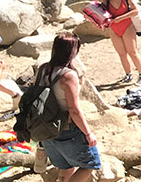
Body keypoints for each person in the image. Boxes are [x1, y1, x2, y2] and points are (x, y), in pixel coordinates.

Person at [36, 34, 102, 182]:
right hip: (67, 128)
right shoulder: (68, 75)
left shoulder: (43, 69)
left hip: (45, 129)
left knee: (65, 165)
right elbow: (74, 109)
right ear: (72, 51)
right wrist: (88, 133)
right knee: (90, 165)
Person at [104, 0, 141, 84]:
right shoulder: (106, 0)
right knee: (122, 53)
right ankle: (128, 74)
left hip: (127, 27)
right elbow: (103, 15)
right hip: (114, 30)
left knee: (132, 52)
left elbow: (135, 11)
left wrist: (120, 18)